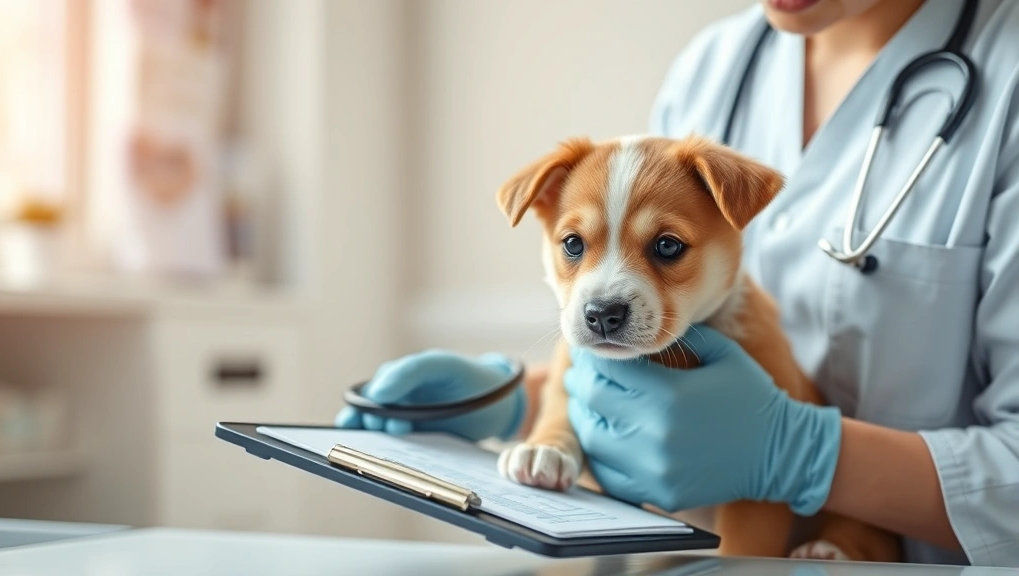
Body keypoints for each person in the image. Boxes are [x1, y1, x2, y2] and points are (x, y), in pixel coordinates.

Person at [335, 0, 1019, 567]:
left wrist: (800, 456)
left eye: (667, 247)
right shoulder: (715, 66)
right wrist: (524, 401)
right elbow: (663, 360)